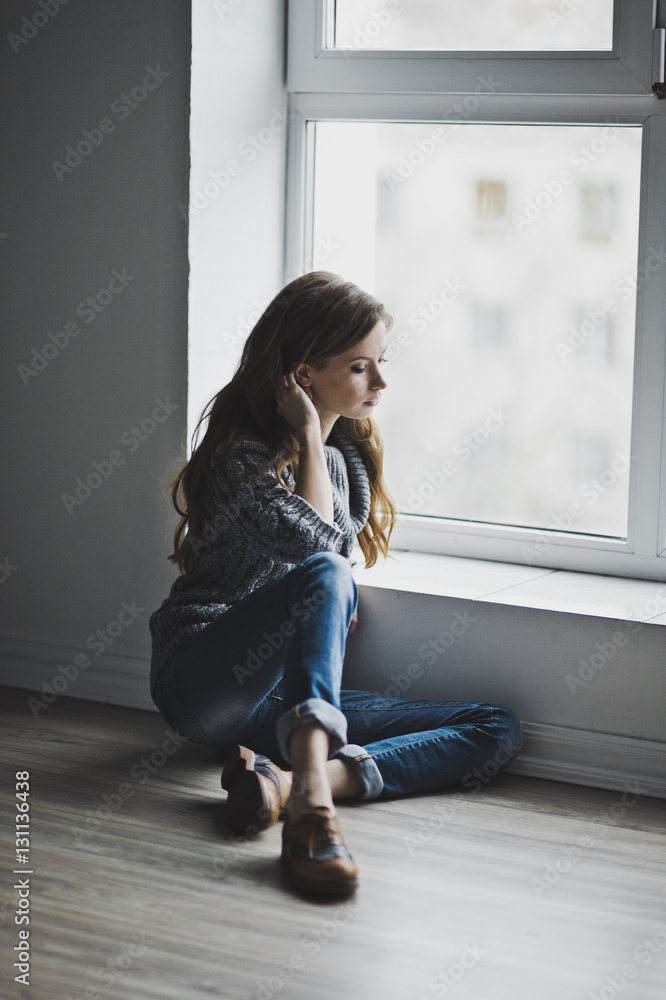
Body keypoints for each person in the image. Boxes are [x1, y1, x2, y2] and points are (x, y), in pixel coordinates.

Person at [148, 271, 523, 896]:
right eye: (359, 366)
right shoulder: (242, 457)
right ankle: (315, 803)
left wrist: (317, 451)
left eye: (379, 363)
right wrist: (306, 436)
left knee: (494, 728)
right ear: (301, 375)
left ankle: (288, 784)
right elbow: (323, 553)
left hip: (281, 706)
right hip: (203, 681)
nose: (379, 383)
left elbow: (329, 559)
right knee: (324, 568)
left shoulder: (342, 461)